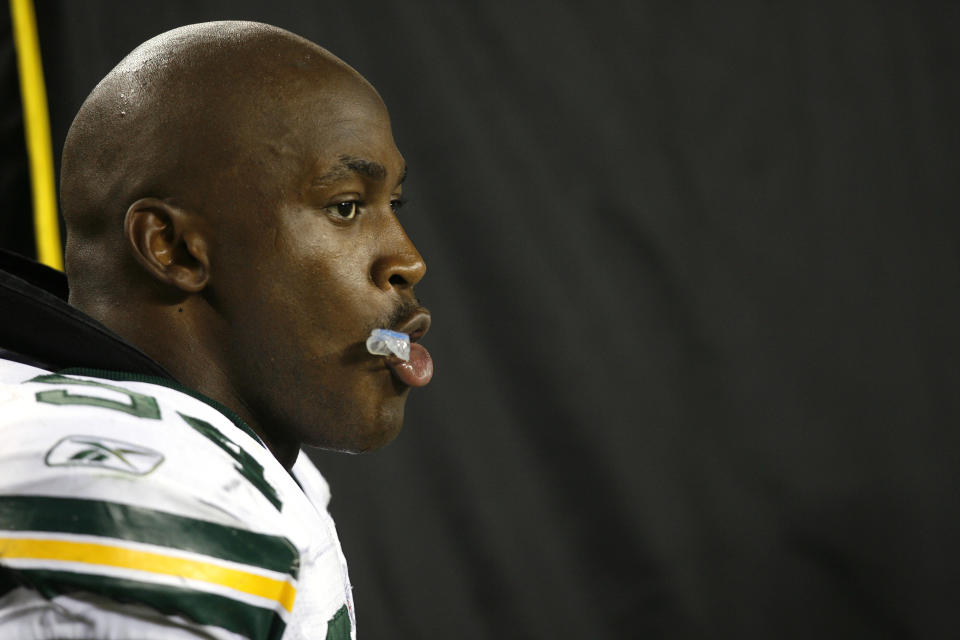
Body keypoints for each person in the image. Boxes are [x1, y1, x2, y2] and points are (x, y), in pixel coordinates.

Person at [0, 20, 433, 639]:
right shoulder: (145, 488)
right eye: (345, 206)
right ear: (173, 248)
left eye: (395, 204)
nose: (408, 261)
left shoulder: (195, 444)